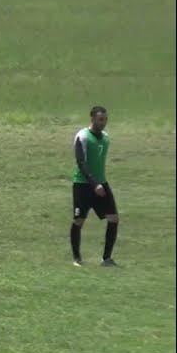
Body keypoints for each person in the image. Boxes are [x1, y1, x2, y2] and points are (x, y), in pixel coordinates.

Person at [71, 106, 119, 267]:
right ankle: (77, 259)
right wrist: (94, 183)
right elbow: (81, 162)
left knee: (113, 218)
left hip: (101, 183)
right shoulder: (82, 136)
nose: (103, 122)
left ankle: (106, 259)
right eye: (100, 119)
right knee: (79, 220)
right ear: (92, 119)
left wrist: (100, 183)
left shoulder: (105, 137)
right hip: (83, 185)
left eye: (105, 119)